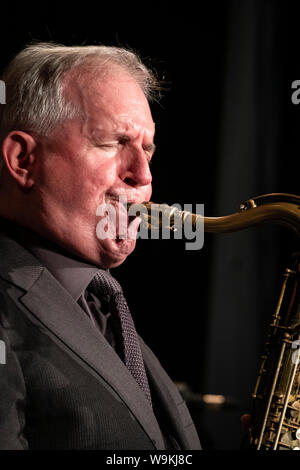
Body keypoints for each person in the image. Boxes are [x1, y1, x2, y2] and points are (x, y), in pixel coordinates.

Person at [0, 42, 201, 450]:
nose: (142, 176)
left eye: (147, 150)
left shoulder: (101, 303)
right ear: (23, 160)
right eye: (112, 143)